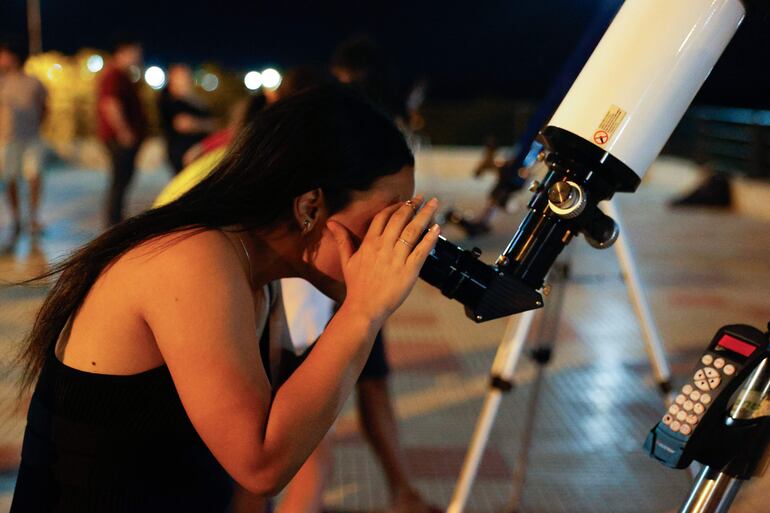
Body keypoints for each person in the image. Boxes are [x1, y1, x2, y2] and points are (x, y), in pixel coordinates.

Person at [10, 85, 441, 512]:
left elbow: (249, 488)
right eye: (387, 216)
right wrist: (363, 311)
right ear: (310, 206)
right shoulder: (194, 258)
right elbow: (262, 464)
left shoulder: (258, 274)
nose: (396, 239)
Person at [97, 36, 147, 227]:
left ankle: (116, 219)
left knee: (123, 180)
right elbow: (110, 105)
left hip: (123, 137)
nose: (139, 57)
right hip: (119, 139)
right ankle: (113, 223)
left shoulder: (123, 75)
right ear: (124, 52)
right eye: (136, 52)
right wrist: (124, 131)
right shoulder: (114, 75)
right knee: (120, 181)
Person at [0, 40, 48, 239]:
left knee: (34, 176)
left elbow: (45, 107)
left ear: (14, 55)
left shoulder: (34, 82)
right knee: (9, 179)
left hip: (31, 138)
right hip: (6, 139)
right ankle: (16, 217)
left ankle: (33, 216)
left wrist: (38, 125)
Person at [158, 64, 216, 174]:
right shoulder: (169, 100)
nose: (186, 79)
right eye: (182, 76)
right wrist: (205, 125)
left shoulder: (194, 98)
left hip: (202, 149)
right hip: (184, 152)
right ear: (172, 78)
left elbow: (211, 120)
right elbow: (184, 124)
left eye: (187, 76)